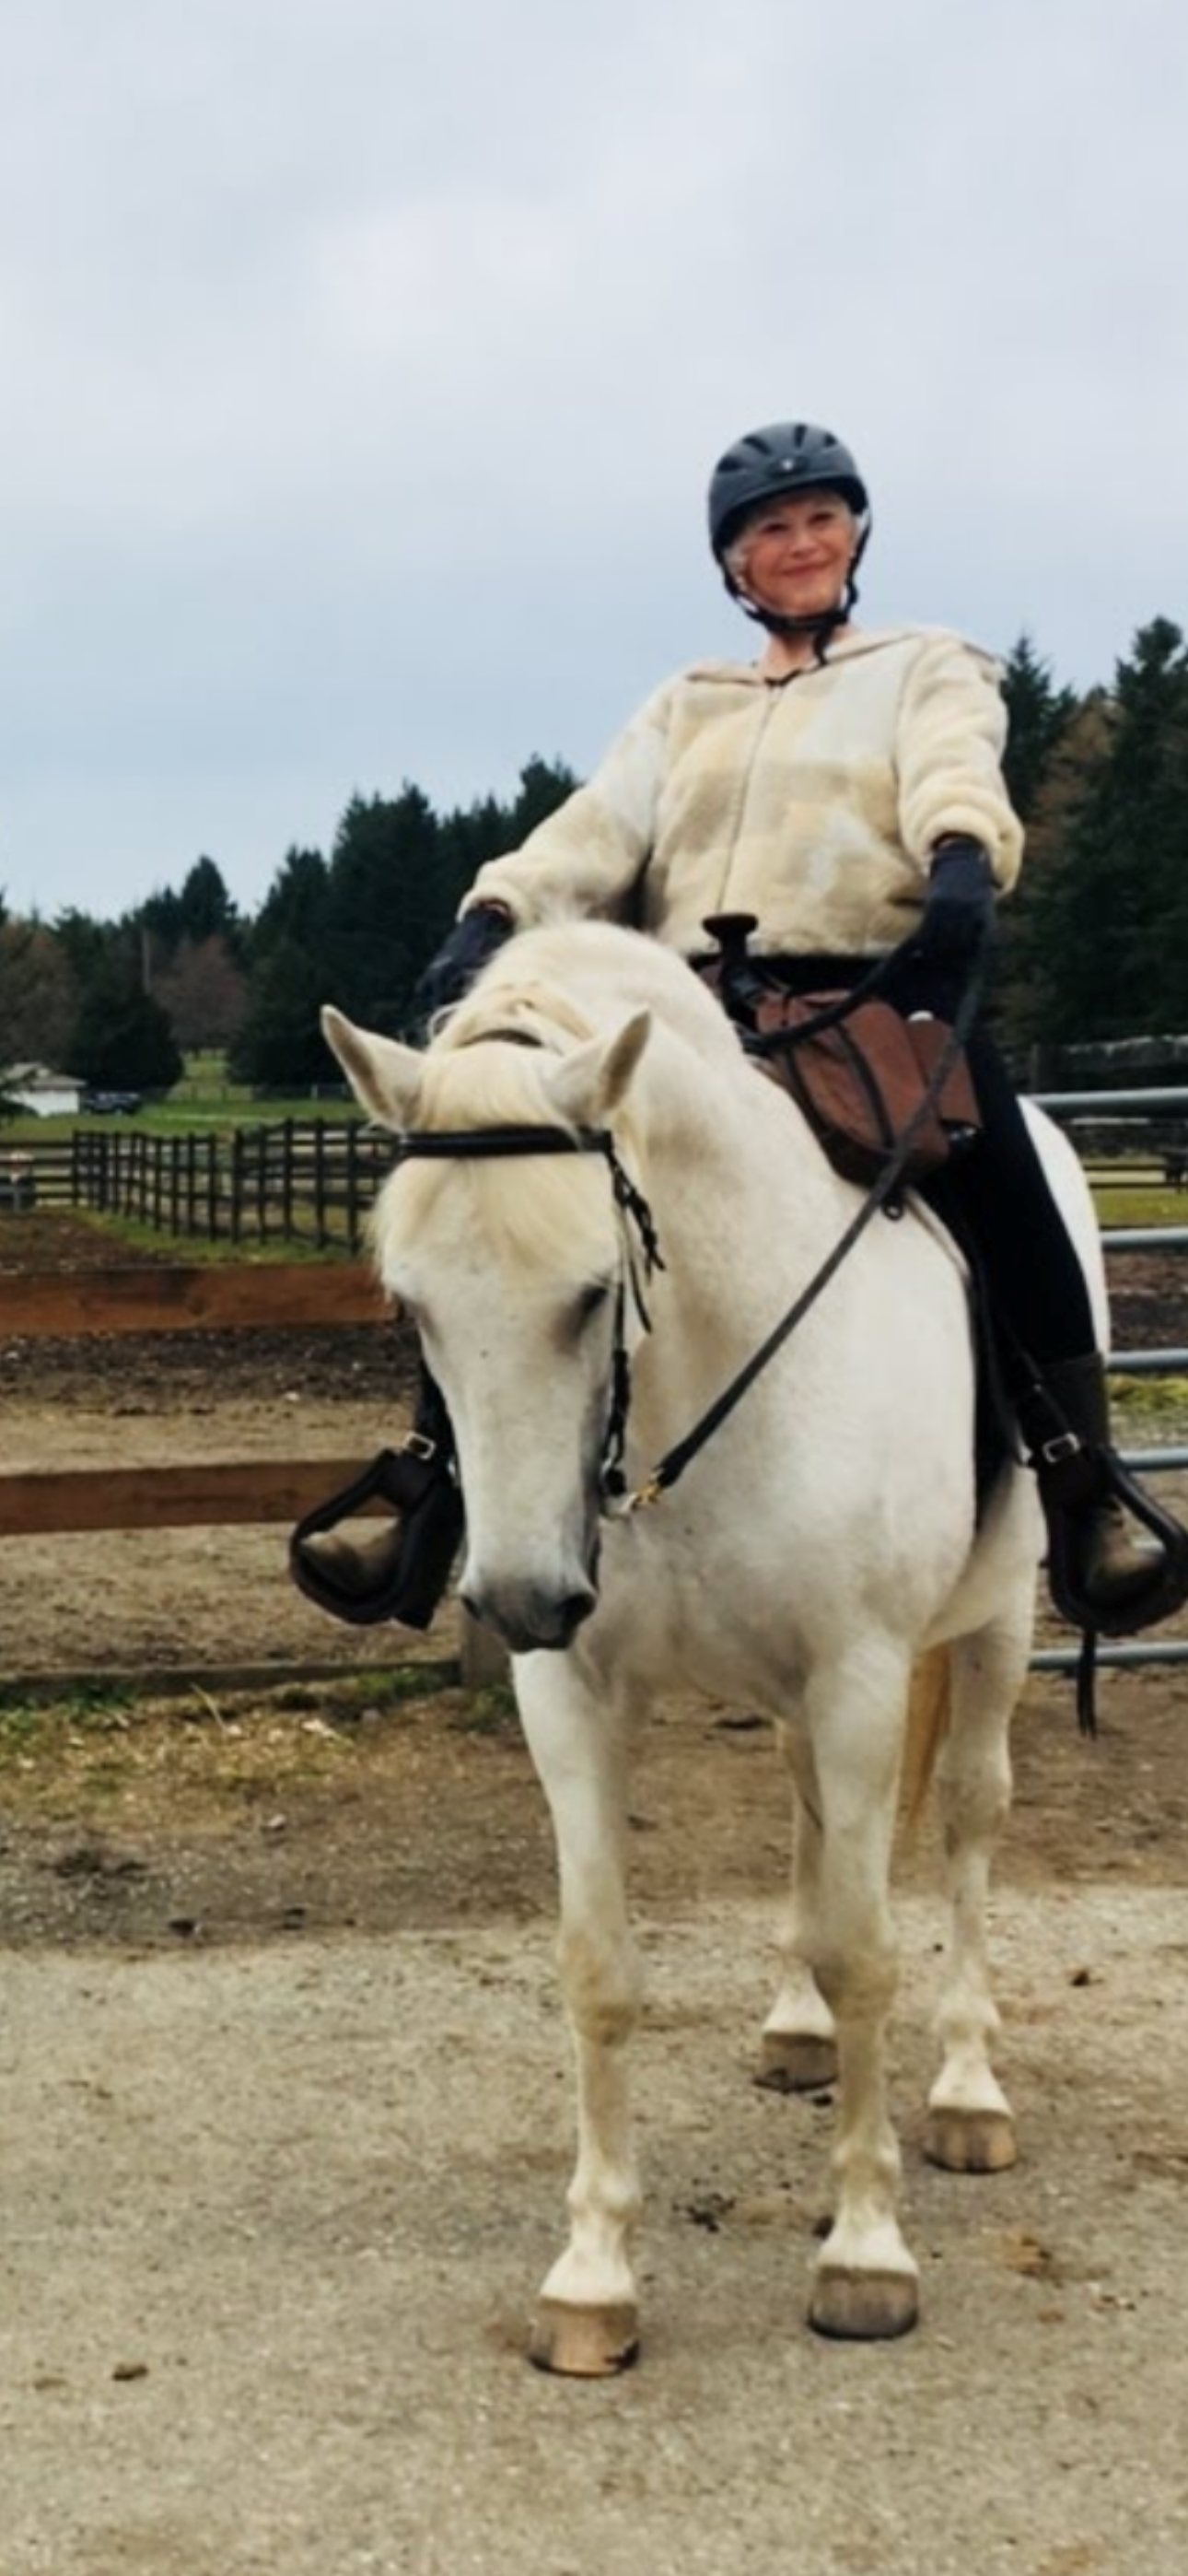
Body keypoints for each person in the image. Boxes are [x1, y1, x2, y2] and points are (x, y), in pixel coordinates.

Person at [296, 419, 1187, 1641]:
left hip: (874, 992)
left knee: (1000, 1167)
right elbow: (596, 828)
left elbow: (949, 765)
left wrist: (962, 861)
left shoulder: (926, 666)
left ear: (855, 533)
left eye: (822, 518)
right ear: (732, 563)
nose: (800, 542)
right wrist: (493, 912)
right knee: (505, 1207)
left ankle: (1083, 1487)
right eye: (771, 528)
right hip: (688, 1017)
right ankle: (432, 1488)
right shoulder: (688, 703)